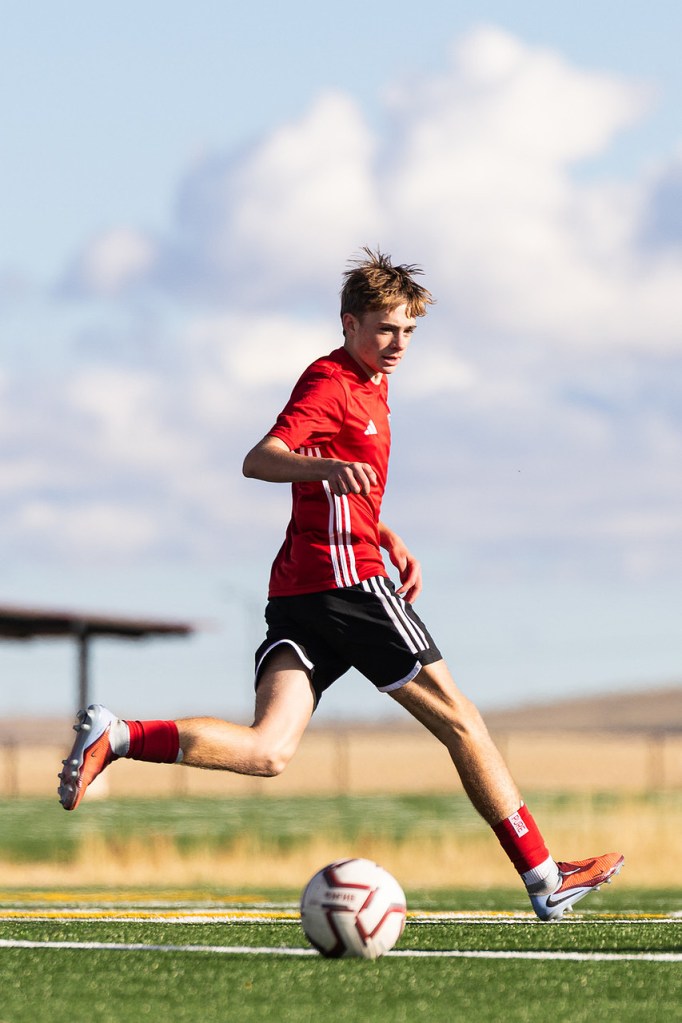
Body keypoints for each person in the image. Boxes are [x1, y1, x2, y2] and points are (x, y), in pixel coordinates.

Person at [58, 248, 623, 920]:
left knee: (269, 749)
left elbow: (343, 480)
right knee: (463, 721)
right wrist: (326, 472)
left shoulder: (374, 384)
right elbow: (260, 459)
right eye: (385, 329)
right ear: (349, 323)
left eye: (408, 331)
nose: (398, 344)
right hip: (348, 584)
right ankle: (544, 877)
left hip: (301, 590)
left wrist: (382, 530)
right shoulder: (331, 382)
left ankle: (119, 736)